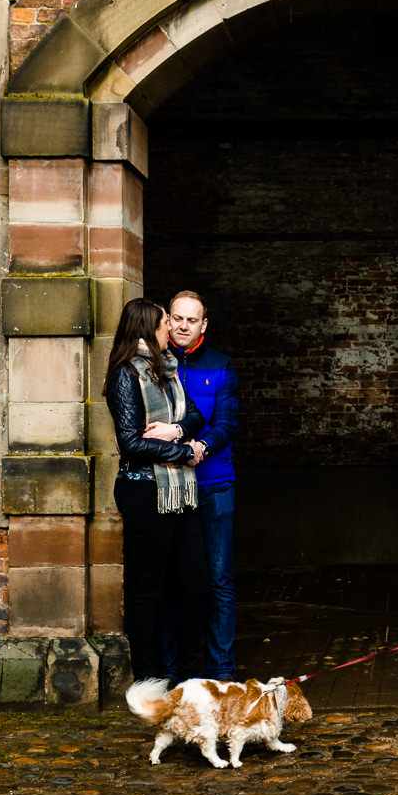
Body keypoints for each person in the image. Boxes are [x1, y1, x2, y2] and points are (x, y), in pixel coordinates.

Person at [103, 297, 208, 683]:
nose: (172, 328)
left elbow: (196, 415)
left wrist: (177, 430)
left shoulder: (169, 370)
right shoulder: (125, 374)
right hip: (144, 491)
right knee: (149, 590)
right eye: (166, 322)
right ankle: (147, 680)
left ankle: (186, 679)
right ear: (149, 328)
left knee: (194, 584)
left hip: (179, 493)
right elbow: (130, 443)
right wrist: (184, 452)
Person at [167, 290, 241, 680]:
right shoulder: (154, 364)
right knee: (176, 581)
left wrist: (201, 445)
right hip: (169, 486)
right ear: (167, 320)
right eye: (177, 318)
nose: (182, 325)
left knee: (219, 581)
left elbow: (227, 423)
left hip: (214, 485)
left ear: (203, 325)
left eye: (191, 320)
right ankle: (177, 677)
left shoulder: (221, 366)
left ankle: (222, 674)